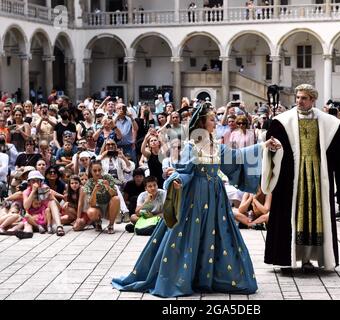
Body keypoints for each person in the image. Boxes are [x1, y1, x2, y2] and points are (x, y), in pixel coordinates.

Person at [112, 103, 279, 297]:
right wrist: (176, 182)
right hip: (195, 198)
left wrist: (264, 146)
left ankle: (214, 276)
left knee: (219, 233)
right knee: (189, 234)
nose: (215, 122)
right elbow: (184, 172)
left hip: (216, 196)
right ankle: (184, 277)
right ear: (201, 122)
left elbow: (238, 156)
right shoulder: (192, 146)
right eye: (211, 119)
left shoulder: (217, 145)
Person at [262, 84, 340, 274]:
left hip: (316, 175)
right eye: (297, 97)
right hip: (291, 175)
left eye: (304, 98)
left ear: (313, 100)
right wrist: (273, 148)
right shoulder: (283, 120)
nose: (299, 101)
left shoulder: (325, 120)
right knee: (290, 214)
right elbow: (273, 142)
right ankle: (286, 258)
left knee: (312, 217)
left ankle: (307, 258)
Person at [80, 160, 120, 234]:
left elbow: (115, 194)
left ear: (102, 169)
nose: (97, 173)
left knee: (116, 199)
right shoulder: (88, 183)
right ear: (91, 171)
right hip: (97, 208)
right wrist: (95, 190)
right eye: (94, 171)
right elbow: (92, 204)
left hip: (109, 207)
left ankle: (111, 225)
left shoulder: (108, 177)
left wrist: (108, 187)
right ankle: (98, 222)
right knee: (91, 212)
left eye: (99, 170)